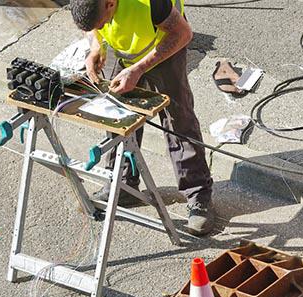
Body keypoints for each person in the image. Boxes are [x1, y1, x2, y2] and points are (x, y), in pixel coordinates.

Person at [70, 0, 215, 236]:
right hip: (123, 50)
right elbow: (91, 24)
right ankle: (123, 185)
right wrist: (96, 46)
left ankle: (198, 195)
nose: (102, 26)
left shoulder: (150, 3)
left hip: (166, 45)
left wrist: (138, 69)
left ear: (110, 3)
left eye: (102, 22)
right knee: (118, 115)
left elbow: (183, 34)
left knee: (178, 120)